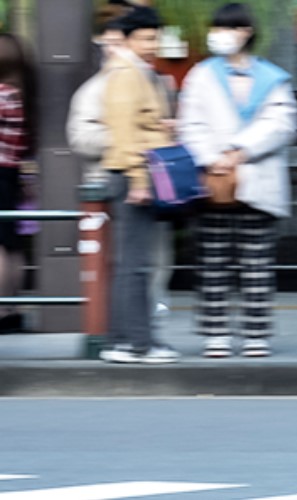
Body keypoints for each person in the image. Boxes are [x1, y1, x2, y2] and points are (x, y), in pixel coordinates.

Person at [176, 3, 297, 358]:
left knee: (257, 264)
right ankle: (215, 333)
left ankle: (256, 333)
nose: (218, 35)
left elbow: (283, 124)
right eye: (216, 28)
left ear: (246, 32)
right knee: (212, 262)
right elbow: (190, 123)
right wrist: (211, 158)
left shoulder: (273, 78)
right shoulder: (201, 75)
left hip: (258, 182)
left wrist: (239, 151)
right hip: (212, 181)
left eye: (226, 28)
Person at [97, 7, 181, 364]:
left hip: (137, 174)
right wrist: (138, 179)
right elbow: (123, 133)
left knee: (132, 263)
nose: (152, 45)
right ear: (129, 39)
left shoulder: (136, 71)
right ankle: (138, 343)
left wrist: (162, 127)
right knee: (136, 265)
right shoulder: (126, 73)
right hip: (135, 176)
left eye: (155, 38)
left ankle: (124, 340)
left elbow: (136, 125)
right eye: (146, 38)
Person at [0, 34, 31, 335]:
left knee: (2, 244)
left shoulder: (3, 94)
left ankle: (2, 310)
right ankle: (12, 308)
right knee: (11, 243)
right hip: (9, 173)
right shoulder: (18, 93)